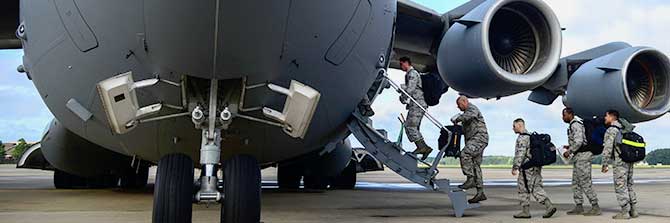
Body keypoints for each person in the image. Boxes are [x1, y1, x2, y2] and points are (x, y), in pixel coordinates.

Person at [511, 118, 557, 219]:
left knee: (529, 188)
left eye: (514, 126)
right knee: (530, 187)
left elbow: (520, 154)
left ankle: (548, 206)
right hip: (535, 166)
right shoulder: (531, 136)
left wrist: (515, 167)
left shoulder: (522, 138)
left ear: (519, 125)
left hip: (528, 168)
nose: (512, 128)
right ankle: (526, 211)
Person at [561, 107, 600, 216]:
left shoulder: (575, 124)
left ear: (570, 114)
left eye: (564, 115)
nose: (563, 117)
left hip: (583, 157)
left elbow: (579, 142)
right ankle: (579, 206)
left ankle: (595, 206)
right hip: (578, 157)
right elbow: (579, 141)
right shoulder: (573, 125)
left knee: (585, 182)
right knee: (576, 183)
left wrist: (569, 151)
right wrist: (570, 146)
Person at [601, 109, 638, 219]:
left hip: (619, 162)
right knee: (629, 185)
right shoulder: (624, 129)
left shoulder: (612, 130)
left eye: (606, 116)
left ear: (612, 117)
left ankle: (624, 212)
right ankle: (634, 210)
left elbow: (607, 148)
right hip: (629, 161)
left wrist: (604, 164)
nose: (605, 118)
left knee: (620, 186)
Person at [451, 96, 488, 203]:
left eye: (459, 105)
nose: (458, 108)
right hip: (476, 139)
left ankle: (470, 179)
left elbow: (468, 116)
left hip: (479, 138)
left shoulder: (472, 109)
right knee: (475, 165)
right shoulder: (467, 113)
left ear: (465, 101)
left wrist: (457, 118)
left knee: (465, 154)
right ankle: (480, 192)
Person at [397, 57, 433, 160]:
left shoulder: (412, 73)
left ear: (406, 63)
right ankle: (423, 147)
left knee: (410, 126)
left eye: (401, 64)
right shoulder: (410, 74)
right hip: (416, 103)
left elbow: (411, 89)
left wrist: (403, 97)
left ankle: (423, 147)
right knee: (413, 127)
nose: (401, 67)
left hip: (418, 103)